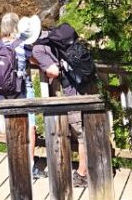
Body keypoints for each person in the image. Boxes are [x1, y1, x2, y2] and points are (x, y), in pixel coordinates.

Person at [24, 15, 91, 188]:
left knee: (81, 132)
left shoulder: (38, 48)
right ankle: (88, 168)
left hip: (72, 88)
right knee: (86, 128)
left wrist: (44, 69)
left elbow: (53, 71)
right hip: (84, 83)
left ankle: (83, 174)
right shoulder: (52, 35)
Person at [0, 14, 40, 180]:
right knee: (30, 126)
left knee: (11, 125)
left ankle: (15, 162)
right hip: (22, 89)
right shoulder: (22, 44)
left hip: (3, 93)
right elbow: (34, 60)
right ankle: (30, 165)